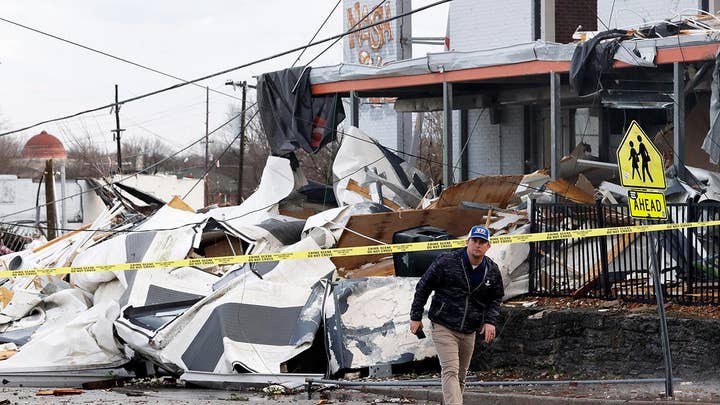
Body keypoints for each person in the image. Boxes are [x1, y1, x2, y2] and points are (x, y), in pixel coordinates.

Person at [409, 225, 504, 405]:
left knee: (460, 377)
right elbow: (424, 286)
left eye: (482, 242)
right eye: (474, 241)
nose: (477, 245)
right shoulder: (447, 261)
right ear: (467, 242)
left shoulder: (491, 270)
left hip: (469, 329)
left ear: (488, 246)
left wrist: (490, 321)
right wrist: (415, 316)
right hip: (444, 324)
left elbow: (496, 297)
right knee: (450, 371)